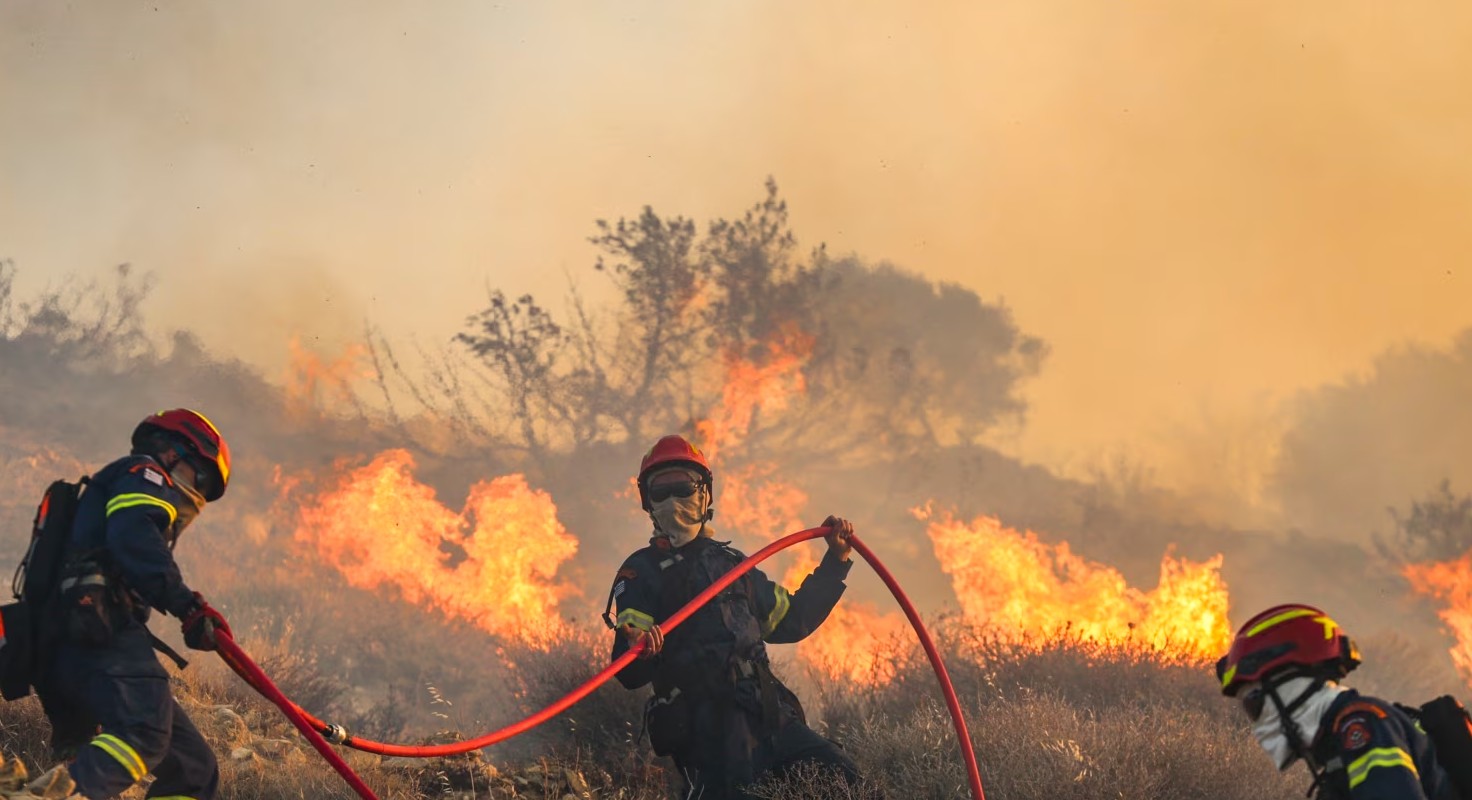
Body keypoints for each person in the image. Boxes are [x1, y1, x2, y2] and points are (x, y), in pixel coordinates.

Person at [605, 434, 865, 798]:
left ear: (705, 495)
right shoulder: (640, 572)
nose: (673, 500)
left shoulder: (733, 567)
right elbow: (627, 670)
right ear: (647, 502)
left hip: (769, 719)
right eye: (660, 492)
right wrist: (641, 649)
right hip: (708, 739)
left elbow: (793, 619)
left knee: (845, 780)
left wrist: (834, 564)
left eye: (683, 487)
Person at [31, 409, 235, 800]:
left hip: (76, 640)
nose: (199, 496)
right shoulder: (145, 472)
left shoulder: (122, 480)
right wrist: (187, 606)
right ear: (174, 454)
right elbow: (134, 539)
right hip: (98, 629)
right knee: (144, 730)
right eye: (202, 478)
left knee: (193, 769)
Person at [1216, 603, 1457, 799]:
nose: (1256, 723)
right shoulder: (1337, 749)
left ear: (1288, 688)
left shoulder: (1362, 728)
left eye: (1254, 704)